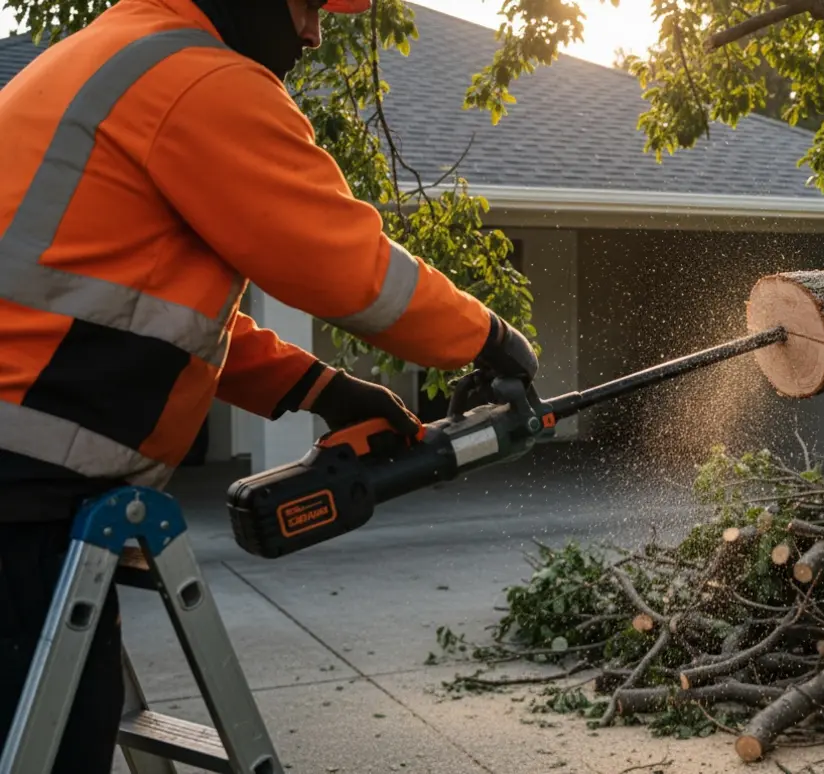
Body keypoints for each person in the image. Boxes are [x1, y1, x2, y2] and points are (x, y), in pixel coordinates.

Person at [0, 0, 538, 766]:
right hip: (20, 498)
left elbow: (141, 314)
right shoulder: (197, 78)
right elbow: (347, 266)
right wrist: (490, 339)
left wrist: (321, 389)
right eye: (309, 5)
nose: (314, 33)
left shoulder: (107, 55)